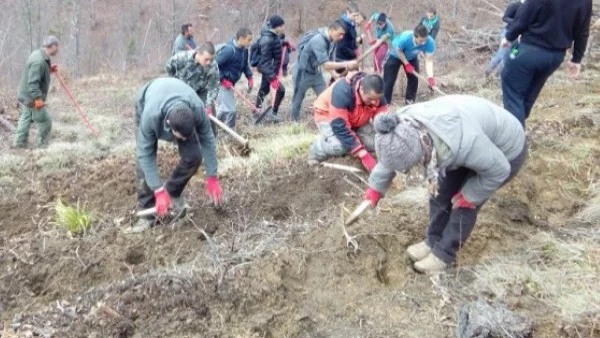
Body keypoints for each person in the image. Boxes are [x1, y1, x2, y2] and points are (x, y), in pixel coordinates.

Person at [362, 95, 527, 273]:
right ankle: (432, 240)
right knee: (441, 192)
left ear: (423, 152)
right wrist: (376, 188)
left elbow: (499, 169)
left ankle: (444, 254)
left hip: (504, 152)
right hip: (467, 138)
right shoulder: (401, 125)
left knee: (463, 205)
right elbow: (391, 155)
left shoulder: (465, 144)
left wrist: (471, 194)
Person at [132, 77, 223, 232]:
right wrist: (158, 190)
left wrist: (212, 176)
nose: (185, 140)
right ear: (169, 125)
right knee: (144, 162)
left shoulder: (197, 109)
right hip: (149, 100)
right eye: (182, 137)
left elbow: (208, 138)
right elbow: (145, 153)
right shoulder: (150, 116)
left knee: (193, 156)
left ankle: (172, 193)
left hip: (180, 101)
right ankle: (147, 216)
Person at [501, 0, 592, 125]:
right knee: (527, 96)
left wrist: (509, 36)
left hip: (529, 50)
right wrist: (576, 59)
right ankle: (518, 128)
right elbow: (582, 31)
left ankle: (515, 140)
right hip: (555, 57)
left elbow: (524, 16)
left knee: (513, 95)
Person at [308, 72, 388, 172]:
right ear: (361, 89)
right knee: (340, 147)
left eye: (376, 99)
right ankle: (318, 148)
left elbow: (382, 121)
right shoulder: (342, 92)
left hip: (355, 117)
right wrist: (362, 153)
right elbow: (340, 127)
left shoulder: (376, 94)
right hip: (328, 116)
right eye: (370, 99)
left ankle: (352, 144)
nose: (374, 102)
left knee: (373, 143)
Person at [291, 21, 357, 122]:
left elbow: (330, 60)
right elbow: (325, 64)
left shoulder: (332, 41)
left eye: (343, 34)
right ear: (332, 30)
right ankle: (294, 123)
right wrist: (347, 64)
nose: (342, 37)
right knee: (297, 99)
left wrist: (335, 75)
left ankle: (330, 119)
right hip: (302, 72)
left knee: (325, 95)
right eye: (340, 34)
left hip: (315, 72)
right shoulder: (318, 40)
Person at [13, 36, 60, 148]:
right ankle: (42, 146)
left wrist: (49, 70)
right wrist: (38, 99)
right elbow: (33, 83)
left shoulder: (39, 54)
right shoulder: (38, 61)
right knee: (46, 121)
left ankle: (19, 143)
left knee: (26, 117)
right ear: (52, 46)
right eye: (57, 46)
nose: (58, 49)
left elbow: (37, 74)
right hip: (31, 97)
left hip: (25, 95)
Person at [383, 25, 436, 105]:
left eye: (425, 40)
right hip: (396, 54)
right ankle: (385, 102)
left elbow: (428, 60)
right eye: (421, 40)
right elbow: (399, 51)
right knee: (389, 79)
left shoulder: (430, 42)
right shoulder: (405, 38)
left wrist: (430, 76)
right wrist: (406, 64)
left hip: (412, 57)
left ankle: (410, 100)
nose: (423, 43)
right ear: (415, 37)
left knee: (414, 78)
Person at [166, 42, 220, 118]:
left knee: (208, 118)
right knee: (182, 116)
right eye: (206, 59)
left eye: (211, 59)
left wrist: (209, 105)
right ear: (199, 53)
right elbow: (169, 66)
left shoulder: (213, 66)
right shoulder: (181, 58)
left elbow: (214, 87)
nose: (209, 62)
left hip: (202, 92)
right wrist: (174, 82)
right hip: (183, 91)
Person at [215, 28, 254, 129]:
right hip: (221, 83)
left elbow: (245, 65)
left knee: (224, 109)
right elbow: (213, 66)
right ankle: (229, 132)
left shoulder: (244, 50)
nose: (250, 42)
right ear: (241, 38)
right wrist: (222, 79)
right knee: (231, 110)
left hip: (231, 82)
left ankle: (214, 125)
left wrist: (250, 77)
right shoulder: (229, 50)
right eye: (249, 39)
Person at [255, 15, 286, 123]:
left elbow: (275, 45)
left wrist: (284, 43)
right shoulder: (267, 39)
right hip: (268, 70)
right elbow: (264, 62)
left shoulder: (274, 35)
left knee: (264, 90)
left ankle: (256, 110)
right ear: (276, 26)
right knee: (281, 90)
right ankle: (272, 113)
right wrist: (272, 78)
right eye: (282, 26)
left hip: (271, 70)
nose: (283, 28)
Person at [485, 0, 523, 77]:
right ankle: (488, 72)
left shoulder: (531, 8)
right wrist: (515, 22)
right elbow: (505, 18)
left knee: (511, 56)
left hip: (520, 38)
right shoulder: (515, 5)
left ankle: (497, 76)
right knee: (501, 53)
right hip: (508, 35)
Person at [334, 4, 365, 76]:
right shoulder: (342, 25)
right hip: (342, 59)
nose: (355, 18)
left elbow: (352, 40)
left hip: (351, 58)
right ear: (348, 12)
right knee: (340, 80)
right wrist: (353, 54)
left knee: (355, 78)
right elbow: (341, 46)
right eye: (354, 15)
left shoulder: (351, 24)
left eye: (357, 15)